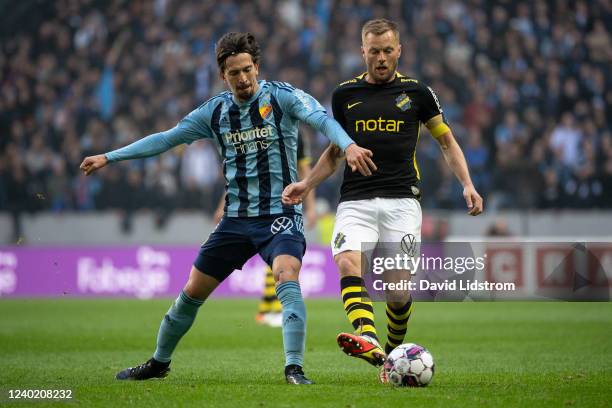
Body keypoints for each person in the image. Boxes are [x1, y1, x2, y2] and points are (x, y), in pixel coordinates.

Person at [80, 32, 376, 385]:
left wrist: (350, 144)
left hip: (279, 216)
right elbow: (165, 139)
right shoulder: (215, 111)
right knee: (191, 292)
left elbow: (325, 122)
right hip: (235, 221)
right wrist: (109, 157)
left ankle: (294, 368)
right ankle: (159, 362)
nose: (243, 78)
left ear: (257, 67)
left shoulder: (283, 97)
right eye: (234, 72)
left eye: (248, 69)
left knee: (286, 277)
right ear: (223, 75)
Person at [282, 19, 483, 379]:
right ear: (362, 52)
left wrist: (467, 183)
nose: (381, 58)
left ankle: (391, 354)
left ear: (399, 51)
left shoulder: (418, 93)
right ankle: (368, 337)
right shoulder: (345, 95)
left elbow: (446, 141)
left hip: (402, 202)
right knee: (346, 262)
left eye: (388, 51)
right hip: (355, 200)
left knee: (398, 290)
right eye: (374, 51)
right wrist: (306, 184)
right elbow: (334, 151)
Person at [212, 135, 317, 328]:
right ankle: (269, 308)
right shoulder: (256, 131)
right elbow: (241, 176)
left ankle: (274, 308)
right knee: (274, 261)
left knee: (281, 260)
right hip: (255, 204)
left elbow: (305, 171)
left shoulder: (297, 136)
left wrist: (311, 206)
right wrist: (223, 205)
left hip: (287, 203)